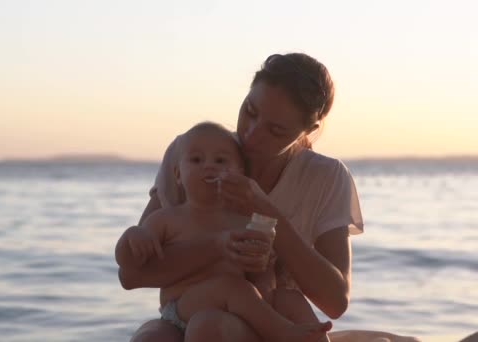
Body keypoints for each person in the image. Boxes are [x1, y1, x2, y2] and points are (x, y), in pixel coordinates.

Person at [117, 52, 417, 342]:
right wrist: (217, 247)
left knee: (210, 329)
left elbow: (335, 301)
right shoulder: (197, 154)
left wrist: (266, 212)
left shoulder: (325, 177)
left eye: (275, 129)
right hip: (191, 307)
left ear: (308, 130)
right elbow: (131, 275)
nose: (252, 133)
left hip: (274, 315)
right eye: (250, 111)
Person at [116, 122, 332, 342]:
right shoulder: (167, 219)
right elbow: (129, 265)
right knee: (229, 286)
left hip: (233, 315)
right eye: (196, 160)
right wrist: (132, 237)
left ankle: (314, 337)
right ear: (178, 174)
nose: (209, 166)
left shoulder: (243, 223)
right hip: (182, 310)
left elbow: (263, 277)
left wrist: (263, 280)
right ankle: (282, 332)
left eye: (220, 161)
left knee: (289, 298)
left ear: (239, 173)